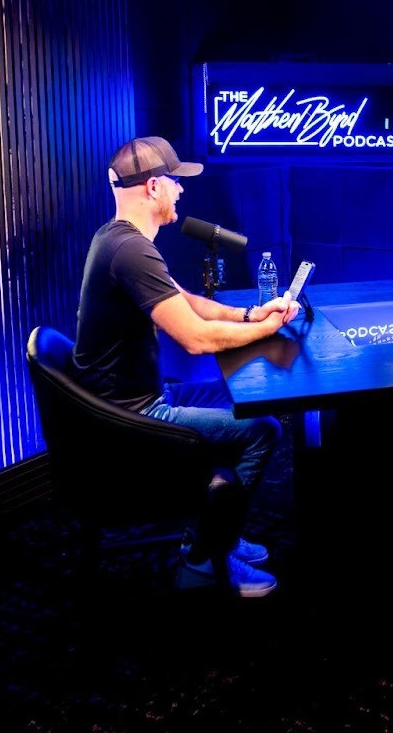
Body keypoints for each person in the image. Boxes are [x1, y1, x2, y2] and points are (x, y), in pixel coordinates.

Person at [72, 136, 300, 597]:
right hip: (131, 417)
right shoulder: (130, 251)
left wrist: (250, 315)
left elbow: (189, 302)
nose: (181, 190)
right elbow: (196, 340)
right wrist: (269, 328)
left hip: (133, 399)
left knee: (235, 397)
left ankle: (220, 529)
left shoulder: (117, 238)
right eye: (174, 181)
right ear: (153, 187)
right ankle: (202, 558)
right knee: (263, 430)